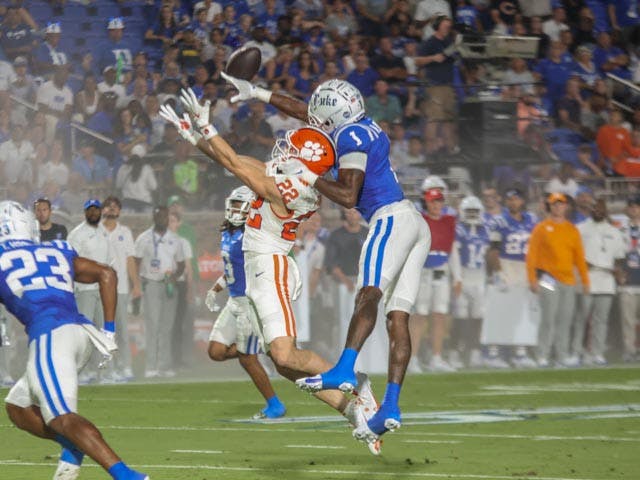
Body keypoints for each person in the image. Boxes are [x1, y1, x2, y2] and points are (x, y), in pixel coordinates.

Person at [161, 90, 381, 455]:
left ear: (303, 164)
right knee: (284, 365)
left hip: (271, 266)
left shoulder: (292, 189)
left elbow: (233, 162)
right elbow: (229, 159)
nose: (283, 152)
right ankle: (352, 412)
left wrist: (206, 124)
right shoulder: (292, 177)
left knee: (285, 356)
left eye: (291, 152)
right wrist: (192, 135)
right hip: (262, 265)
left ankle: (358, 385)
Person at [219, 74, 430, 442]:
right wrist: (259, 93)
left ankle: (345, 370)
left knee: (368, 295)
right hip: (415, 223)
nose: (313, 120)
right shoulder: (356, 124)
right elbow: (308, 113)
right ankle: (391, 407)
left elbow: (348, 197)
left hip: (390, 217)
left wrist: (309, 175)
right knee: (398, 319)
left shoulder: (348, 138)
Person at [0, 200, 149, 480]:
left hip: (49, 336)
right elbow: (107, 273)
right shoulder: (55, 248)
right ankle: (72, 446)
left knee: (61, 417)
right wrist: (108, 331)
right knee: (17, 407)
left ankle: (127, 476)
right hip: (81, 334)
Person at [205, 186, 286, 419]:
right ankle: (262, 345)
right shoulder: (227, 232)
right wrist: (216, 288)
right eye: (234, 204)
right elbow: (233, 269)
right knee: (216, 351)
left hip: (249, 302)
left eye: (241, 205)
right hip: (233, 300)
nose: (235, 209)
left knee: (246, 358)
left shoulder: (254, 235)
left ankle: (275, 405)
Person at [526, 192, 590, 367]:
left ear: (566, 206)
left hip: (568, 280)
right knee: (549, 317)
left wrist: (585, 281)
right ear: (550, 206)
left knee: (565, 319)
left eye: (560, 204)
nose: (557, 207)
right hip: (548, 278)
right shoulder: (541, 228)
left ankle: (561, 355)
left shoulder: (572, 229)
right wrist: (532, 278)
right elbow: (532, 256)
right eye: (554, 204)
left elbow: (579, 258)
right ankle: (542, 354)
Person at [486, 188, 539, 368]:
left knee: (522, 312)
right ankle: (493, 353)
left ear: (522, 201)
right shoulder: (499, 221)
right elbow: (493, 249)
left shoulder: (531, 220)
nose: (513, 202)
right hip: (506, 264)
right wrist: (498, 272)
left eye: (516, 199)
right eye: (510, 200)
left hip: (525, 267)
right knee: (500, 311)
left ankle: (520, 352)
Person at [411, 187, 460, 373]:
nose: (436, 204)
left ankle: (436, 357)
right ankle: (413, 358)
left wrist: (458, 277)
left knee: (440, 316)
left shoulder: (449, 222)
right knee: (419, 317)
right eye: (433, 201)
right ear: (426, 203)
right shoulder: (420, 222)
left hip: (442, 271)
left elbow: (452, 250)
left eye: (439, 201)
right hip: (424, 272)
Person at [134, 206, 185, 378]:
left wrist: (175, 276)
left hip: (169, 285)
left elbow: (182, 263)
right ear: (154, 218)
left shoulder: (175, 239)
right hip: (152, 284)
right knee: (153, 326)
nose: (162, 219)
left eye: (165, 216)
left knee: (167, 327)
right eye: (159, 216)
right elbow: (136, 262)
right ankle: (151, 366)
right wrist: (137, 285)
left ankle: (164, 366)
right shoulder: (144, 238)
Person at [574, 198, 625, 366]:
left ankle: (597, 353)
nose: (598, 210)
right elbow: (573, 253)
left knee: (601, 320)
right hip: (585, 279)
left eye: (601, 208)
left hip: (606, 281)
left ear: (605, 210)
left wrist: (617, 272)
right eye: (595, 207)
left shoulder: (614, 231)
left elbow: (618, 258)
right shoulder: (580, 229)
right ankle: (577, 352)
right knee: (581, 318)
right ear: (590, 209)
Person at [67, 199, 113, 384]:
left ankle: (104, 372)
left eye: (96, 210)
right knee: (84, 333)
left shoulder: (104, 232)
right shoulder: (77, 234)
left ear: (101, 212)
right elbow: (72, 263)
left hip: (102, 289)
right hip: (84, 289)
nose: (93, 213)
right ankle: (82, 372)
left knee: (103, 333)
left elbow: (108, 262)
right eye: (90, 210)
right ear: (85, 212)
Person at [102, 196, 141, 381]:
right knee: (105, 331)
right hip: (100, 288)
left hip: (121, 288)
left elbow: (130, 260)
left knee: (122, 330)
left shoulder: (124, 232)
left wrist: (137, 285)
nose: (111, 209)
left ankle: (125, 366)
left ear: (119, 211)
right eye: (108, 207)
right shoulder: (96, 230)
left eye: (115, 207)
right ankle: (108, 368)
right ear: (103, 210)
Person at [618, 195, 640, 363]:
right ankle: (629, 351)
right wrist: (618, 271)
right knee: (628, 320)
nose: (633, 208)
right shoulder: (619, 229)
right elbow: (616, 255)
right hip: (628, 281)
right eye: (631, 206)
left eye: (636, 206)